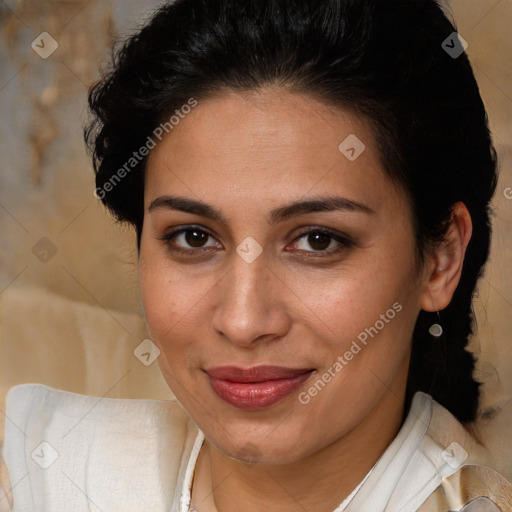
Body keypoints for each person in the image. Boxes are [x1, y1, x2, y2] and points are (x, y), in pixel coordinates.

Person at [1, 0, 511, 510]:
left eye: (317, 240)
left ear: (441, 259)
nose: (243, 322)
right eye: (194, 238)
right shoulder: (43, 479)